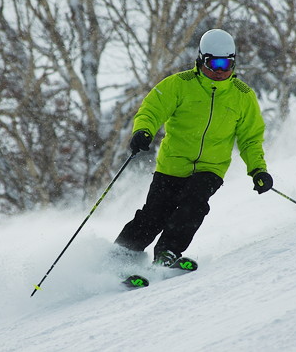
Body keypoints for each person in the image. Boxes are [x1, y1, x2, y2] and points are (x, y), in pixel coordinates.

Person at [113, 28, 273, 267]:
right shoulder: (179, 85)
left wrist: (258, 170)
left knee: (194, 205)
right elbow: (151, 110)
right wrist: (143, 131)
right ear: (201, 59)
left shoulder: (243, 96)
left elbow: (250, 139)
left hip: (211, 168)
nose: (220, 71)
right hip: (172, 165)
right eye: (214, 64)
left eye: (227, 64)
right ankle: (120, 257)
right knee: (154, 215)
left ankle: (167, 252)